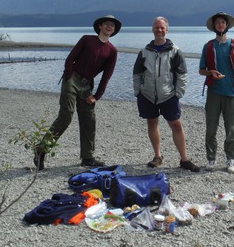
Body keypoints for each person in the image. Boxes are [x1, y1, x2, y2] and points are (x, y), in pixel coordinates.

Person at [34, 15, 121, 170]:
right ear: (100, 26)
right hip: (72, 80)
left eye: (112, 25)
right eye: (107, 24)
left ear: (114, 30)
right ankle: (41, 149)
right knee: (66, 115)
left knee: (89, 119)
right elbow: (70, 58)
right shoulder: (87, 39)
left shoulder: (112, 51)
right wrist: (68, 76)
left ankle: (87, 158)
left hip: (87, 85)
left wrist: (96, 96)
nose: (109, 27)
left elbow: (107, 76)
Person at [132, 16, 199, 172]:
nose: (159, 30)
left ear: (167, 30)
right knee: (152, 123)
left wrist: (178, 94)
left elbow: (182, 74)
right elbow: (137, 74)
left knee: (176, 125)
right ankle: (157, 156)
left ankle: (184, 159)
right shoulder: (144, 52)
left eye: (162, 27)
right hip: (147, 95)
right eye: (157, 27)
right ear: (152, 29)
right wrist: (138, 92)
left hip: (169, 95)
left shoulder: (175, 51)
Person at [198, 11, 234, 173]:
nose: (220, 24)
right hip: (214, 92)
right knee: (211, 127)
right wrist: (211, 72)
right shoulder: (208, 46)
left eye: (223, 22)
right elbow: (201, 70)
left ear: (227, 25)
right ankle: (211, 159)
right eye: (217, 22)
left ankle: (231, 159)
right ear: (214, 26)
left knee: (231, 128)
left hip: (231, 93)